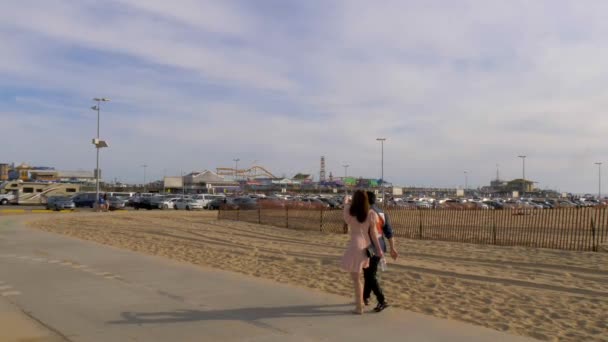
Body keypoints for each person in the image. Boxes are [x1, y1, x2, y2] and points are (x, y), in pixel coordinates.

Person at [341, 190, 383, 314]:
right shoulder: (371, 214)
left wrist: (346, 201)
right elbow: (374, 234)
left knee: (356, 278)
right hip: (366, 246)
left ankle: (360, 306)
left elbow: (346, 207)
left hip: (355, 246)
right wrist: (379, 250)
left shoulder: (350, 212)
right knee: (359, 277)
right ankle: (362, 302)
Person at [363, 191, 399, 312]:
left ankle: (382, 300)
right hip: (380, 246)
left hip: (370, 247)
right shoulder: (383, 213)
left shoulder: (367, 213)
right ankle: (365, 297)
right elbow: (389, 233)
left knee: (370, 275)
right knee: (368, 273)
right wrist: (393, 248)